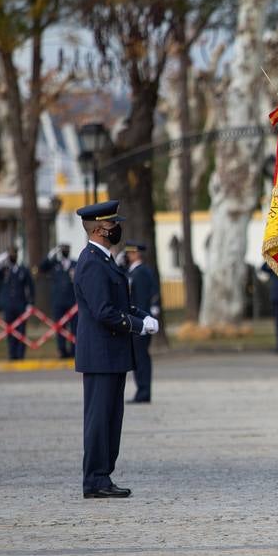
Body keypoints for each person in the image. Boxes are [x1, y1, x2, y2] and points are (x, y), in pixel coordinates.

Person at [73, 201, 158, 498]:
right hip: (100, 354)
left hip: (111, 353)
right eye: (111, 225)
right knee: (99, 420)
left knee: (111, 418)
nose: (116, 228)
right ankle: (95, 479)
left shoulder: (104, 261)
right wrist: (137, 325)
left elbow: (118, 304)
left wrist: (141, 315)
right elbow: (104, 311)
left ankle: (103, 476)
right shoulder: (92, 262)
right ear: (98, 229)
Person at [124, 242, 160, 404]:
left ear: (137, 254)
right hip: (137, 322)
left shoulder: (141, 272)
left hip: (141, 322)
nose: (128, 256)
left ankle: (144, 392)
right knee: (138, 357)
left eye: (130, 253)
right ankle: (142, 390)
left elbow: (142, 300)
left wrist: (143, 321)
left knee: (141, 357)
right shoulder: (132, 272)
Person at [0, 245, 35, 360]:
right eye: (10, 255)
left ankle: (20, 355)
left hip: (21, 304)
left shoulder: (23, 270)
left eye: (13, 255)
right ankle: (12, 354)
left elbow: (30, 287)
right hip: (8, 305)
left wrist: (30, 303)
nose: (12, 257)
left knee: (21, 331)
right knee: (10, 330)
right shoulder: (4, 270)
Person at [40, 244, 77, 359]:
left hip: (72, 301)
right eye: (63, 250)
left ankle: (74, 351)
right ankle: (62, 350)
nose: (65, 252)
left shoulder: (75, 264)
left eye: (67, 250)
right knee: (60, 328)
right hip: (58, 301)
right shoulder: (54, 264)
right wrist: (50, 255)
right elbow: (42, 268)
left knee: (74, 328)